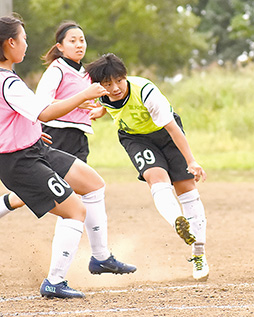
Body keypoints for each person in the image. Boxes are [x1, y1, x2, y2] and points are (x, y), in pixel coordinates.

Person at [0, 15, 127, 299]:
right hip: (20, 161)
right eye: (23, 38)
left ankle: (100, 257)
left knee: (93, 184)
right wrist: (85, 95)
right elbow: (44, 111)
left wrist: (29, 130)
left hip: (35, 148)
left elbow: (23, 116)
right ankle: (54, 282)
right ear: (10, 43)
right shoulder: (8, 82)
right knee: (75, 211)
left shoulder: (8, 78)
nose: (26, 44)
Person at [86, 53, 210, 281]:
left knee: (186, 188)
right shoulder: (101, 94)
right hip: (135, 138)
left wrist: (191, 161)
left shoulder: (146, 92)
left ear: (125, 76)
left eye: (119, 81)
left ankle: (198, 254)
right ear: (99, 85)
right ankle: (176, 221)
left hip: (166, 134)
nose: (114, 88)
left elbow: (173, 130)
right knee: (156, 176)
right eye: (107, 84)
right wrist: (100, 111)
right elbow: (106, 102)